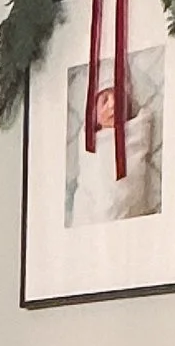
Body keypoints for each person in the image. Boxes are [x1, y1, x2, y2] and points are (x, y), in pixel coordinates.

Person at [64, 55, 164, 224]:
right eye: (104, 100)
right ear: (93, 115)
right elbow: (91, 181)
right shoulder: (90, 142)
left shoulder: (136, 131)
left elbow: (129, 185)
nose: (112, 105)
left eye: (118, 99)